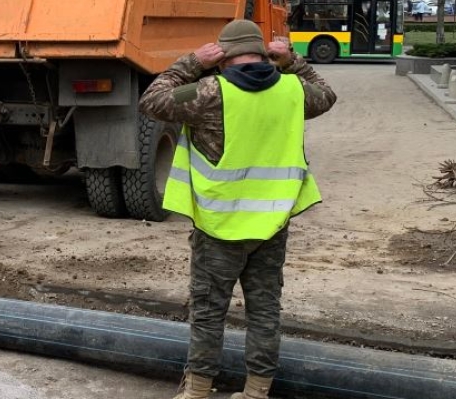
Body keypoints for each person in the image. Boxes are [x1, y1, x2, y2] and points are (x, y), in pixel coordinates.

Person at [138, 20, 337, 399]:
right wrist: (293, 60)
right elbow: (327, 95)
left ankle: (197, 392)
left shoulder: (212, 92)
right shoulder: (294, 90)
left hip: (219, 226)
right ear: (265, 55)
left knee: (209, 311)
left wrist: (191, 63)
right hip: (272, 225)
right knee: (264, 312)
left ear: (223, 58)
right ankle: (256, 392)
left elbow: (151, 101)